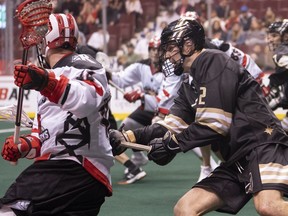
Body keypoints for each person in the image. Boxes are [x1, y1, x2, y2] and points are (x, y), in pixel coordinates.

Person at [110, 17, 288, 215]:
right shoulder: (188, 83)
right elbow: (169, 125)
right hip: (236, 157)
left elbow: (214, 124)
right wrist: (128, 137)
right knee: (185, 209)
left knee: (268, 206)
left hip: (261, 145)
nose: (166, 56)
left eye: (170, 48)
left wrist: (171, 144)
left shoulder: (213, 60)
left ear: (188, 44)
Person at [0, 13, 114, 216]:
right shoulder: (49, 77)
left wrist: (45, 82)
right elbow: (43, 138)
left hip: (73, 167)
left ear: (46, 42)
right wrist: (24, 146)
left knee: (8, 211)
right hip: (81, 177)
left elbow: (85, 100)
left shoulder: (83, 63)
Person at [262, 20, 288, 132]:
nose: (270, 39)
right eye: (269, 36)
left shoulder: (281, 53)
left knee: (270, 133)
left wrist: (279, 100)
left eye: (274, 35)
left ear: (286, 36)